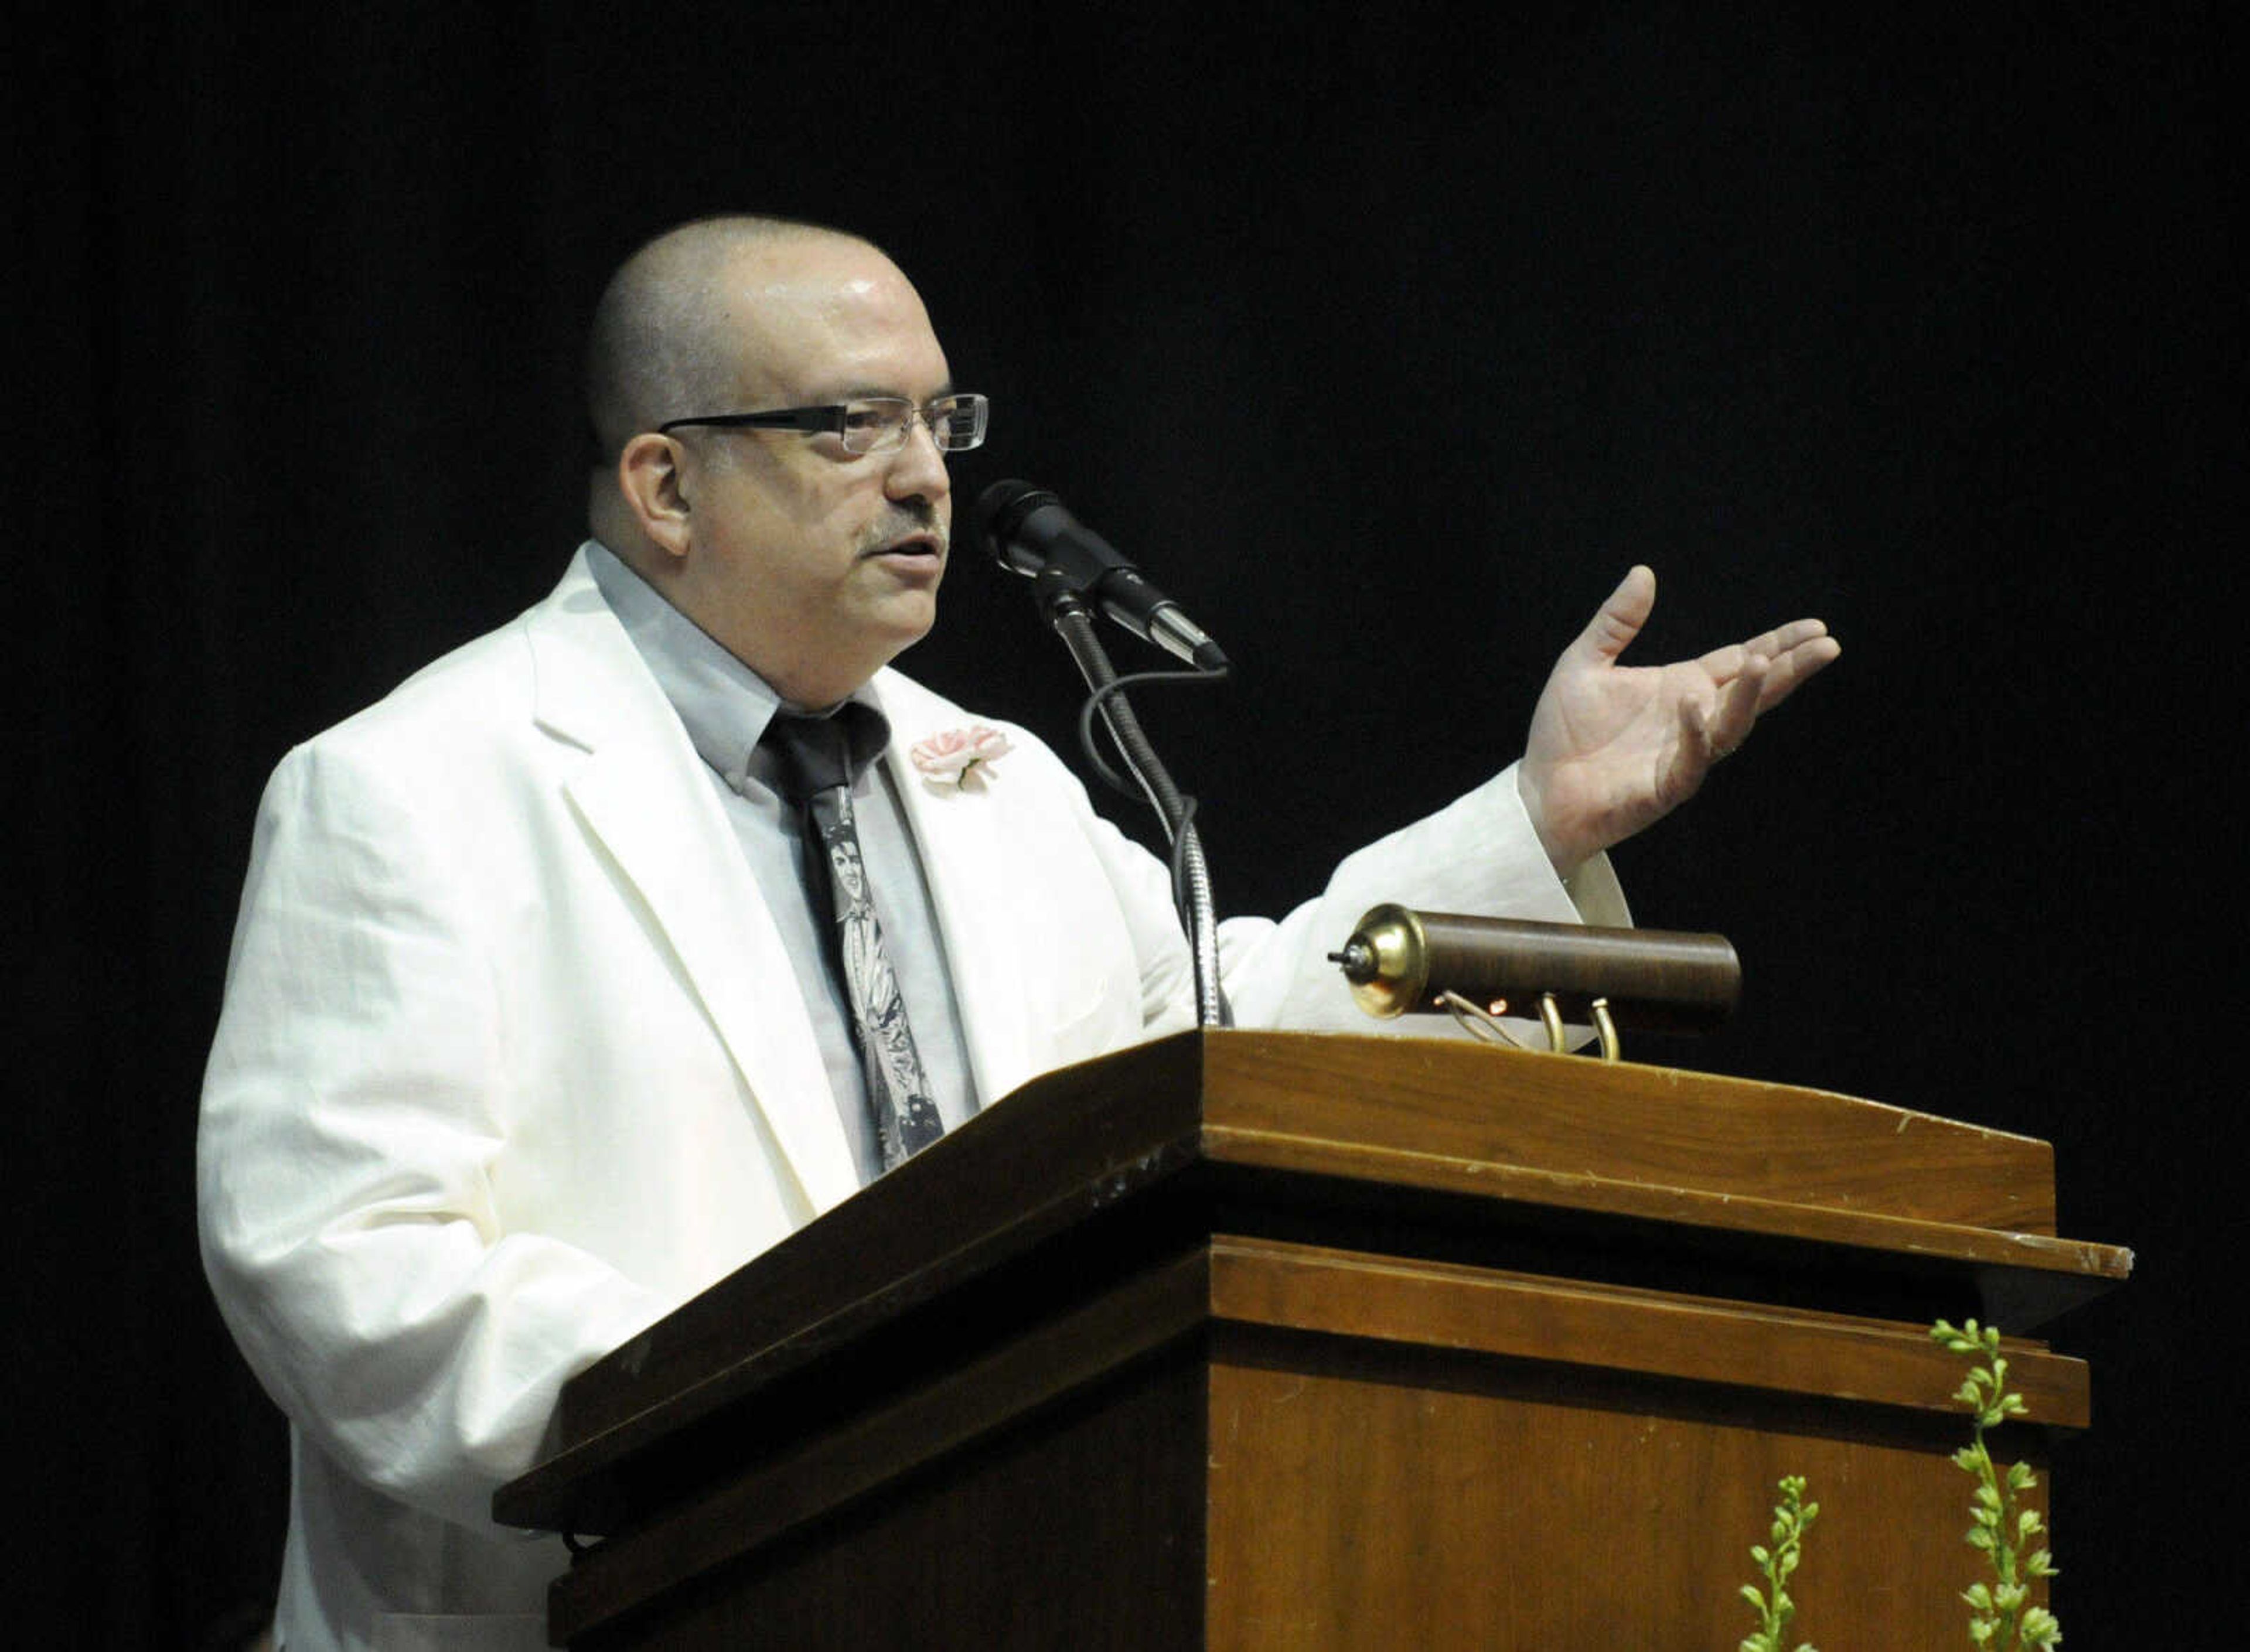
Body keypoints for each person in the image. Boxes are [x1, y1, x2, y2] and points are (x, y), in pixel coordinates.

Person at [197, 214, 1838, 1651]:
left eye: (938, 417)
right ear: (665, 482)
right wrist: (777, 1411)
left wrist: (1534, 819)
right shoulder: (413, 788)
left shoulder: (998, 780)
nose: (925, 475)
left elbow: (1222, 1051)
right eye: (851, 425)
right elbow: (343, 1262)